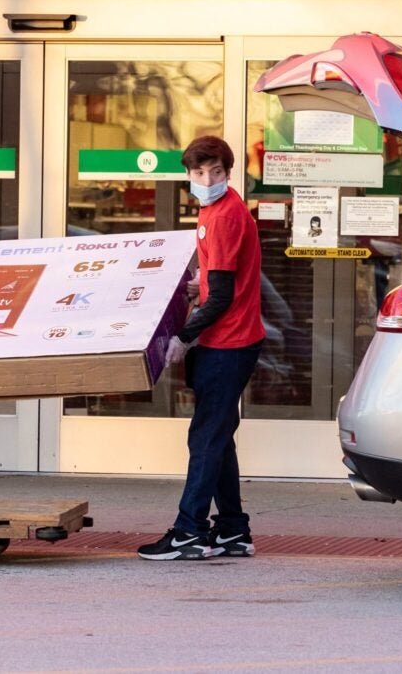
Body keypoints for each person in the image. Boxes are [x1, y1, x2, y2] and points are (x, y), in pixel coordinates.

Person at [137, 136, 265, 561]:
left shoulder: (224, 215)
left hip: (227, 344)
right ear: (188, 175)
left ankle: (189, 530)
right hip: (231, 340)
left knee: (206, 439)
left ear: (228, 172)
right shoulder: (214, 210)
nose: (207, 179)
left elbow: (223, 296)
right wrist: (200, 284)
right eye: (198, 173)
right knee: (219, 437)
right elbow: (221, 280)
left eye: (215, 172)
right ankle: (231, 530)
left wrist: (184, 335)